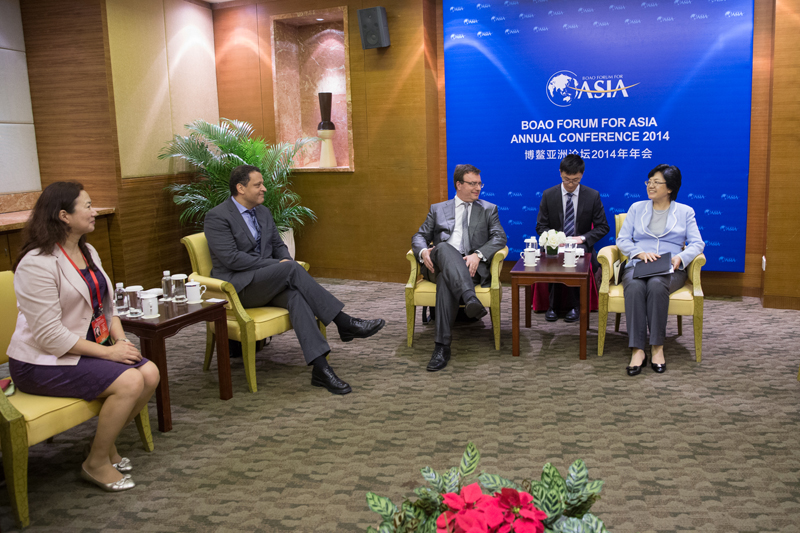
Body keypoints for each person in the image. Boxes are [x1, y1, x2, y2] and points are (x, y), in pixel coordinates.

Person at [8, 182, 160, 492]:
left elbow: (106, 306)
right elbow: (50, 337)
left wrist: (120, 341)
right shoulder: (36, 263)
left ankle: (102, 445)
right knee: (130, 381)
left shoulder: (87, 250)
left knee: (150, 372)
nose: (94, 212)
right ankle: (96, 462)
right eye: (87, 206)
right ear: (63, 215)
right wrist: (109, 354)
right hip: (40, 361)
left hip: (85, 345)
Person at [204, 165, 385, 395]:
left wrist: (284, 263)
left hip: (264, 282)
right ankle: (343, 322)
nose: (264, 188)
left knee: (297, 297)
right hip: (237, 289)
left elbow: (279, 246)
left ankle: (321, 369)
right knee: (290, 269)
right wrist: (279, 267)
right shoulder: (217, 217)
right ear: (240, 188)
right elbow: (232, 259)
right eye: (257, 185)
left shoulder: (263, 212)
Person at [411, 164, 507, 371]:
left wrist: (478, 255)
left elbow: (500, 237)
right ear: (459, 184)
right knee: (444, 247)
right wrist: (423, 252)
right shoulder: (437, 209)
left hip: (470, 269)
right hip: (439, 262)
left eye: (479, 183)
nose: (478, 188)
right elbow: (419, 236)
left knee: (448, 278)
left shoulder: (489, 209)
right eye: (472, 184)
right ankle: (470, 299)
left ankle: (441, 347)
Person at [616, 164, 705, 376]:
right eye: (649, 181)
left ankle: (657, 347)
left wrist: (680, 258)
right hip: (639, 264)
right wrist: (638, 253)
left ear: (670, 188)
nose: (651, 186)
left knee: (656, 285)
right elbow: (622, 239)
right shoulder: (637, 208)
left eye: (657, 182)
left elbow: (697, 244)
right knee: (636, 286)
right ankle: (638, 349)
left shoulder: (685, 212)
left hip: (669, 269)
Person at [536, 154, 609, 322]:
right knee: (553, 255)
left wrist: (581, 238)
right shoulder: (549, 194)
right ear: (560, 173)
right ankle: (552, 306)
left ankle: (574, 306)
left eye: (575, 180)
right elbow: (541, 226)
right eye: (566, 179)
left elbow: (603, 227)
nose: (570, 184)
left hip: (580, 245)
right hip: (555, 244)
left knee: (574, 256)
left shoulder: (592, 195)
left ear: (581, 175)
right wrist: (552, 238)